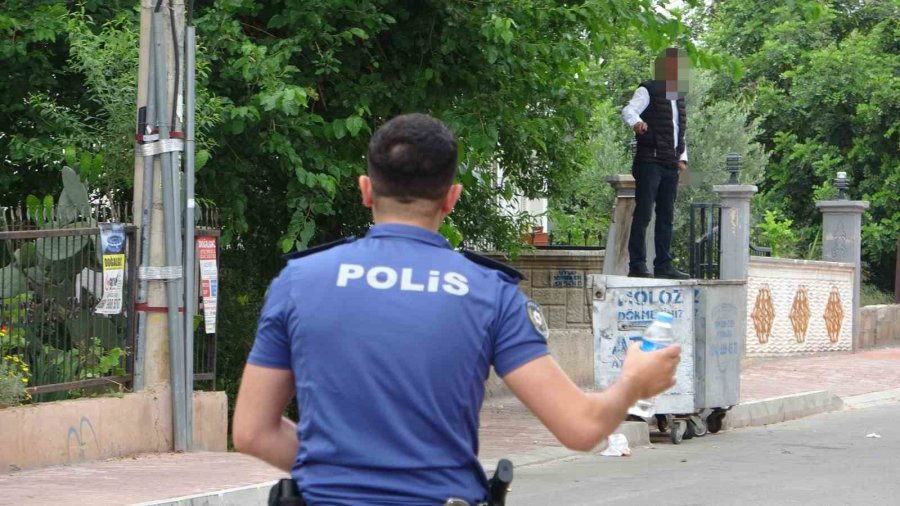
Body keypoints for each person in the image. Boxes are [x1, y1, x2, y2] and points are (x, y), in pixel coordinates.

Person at [232, 113, 681, 505]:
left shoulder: (300, 281)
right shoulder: (489, 292)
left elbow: (252, 431)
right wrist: (632, 382)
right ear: (452, 197)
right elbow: (581, 429)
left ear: (366, 190)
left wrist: (338, 470)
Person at [622, 47, 691, 279]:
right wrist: (637, 122)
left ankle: (663, 266)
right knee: (643, 214)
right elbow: (629, 110)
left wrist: (682, 158)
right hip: (649, 160)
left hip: (669, 163)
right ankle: (637, 265)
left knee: (666, 215)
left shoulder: (678, 96)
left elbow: (679, 131)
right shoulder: (647, 89)